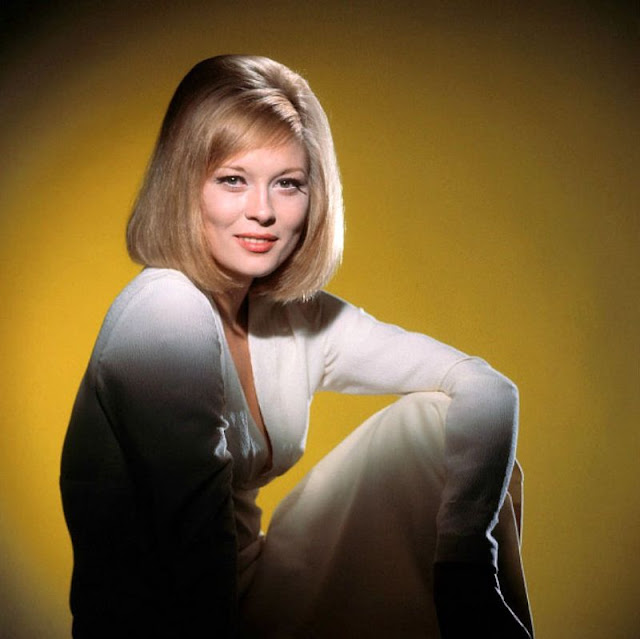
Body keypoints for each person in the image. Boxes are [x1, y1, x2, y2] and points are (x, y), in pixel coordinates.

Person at [60, 55, 534, 638]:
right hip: (176, 623)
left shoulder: (290, 318)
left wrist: (466, 564)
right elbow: (195, 561)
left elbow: (486, 388)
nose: (262, 211)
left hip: (257, 595)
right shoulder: (164, 313)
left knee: (438, 427)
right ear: (184, 184)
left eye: (288, 183)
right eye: (232, 180)